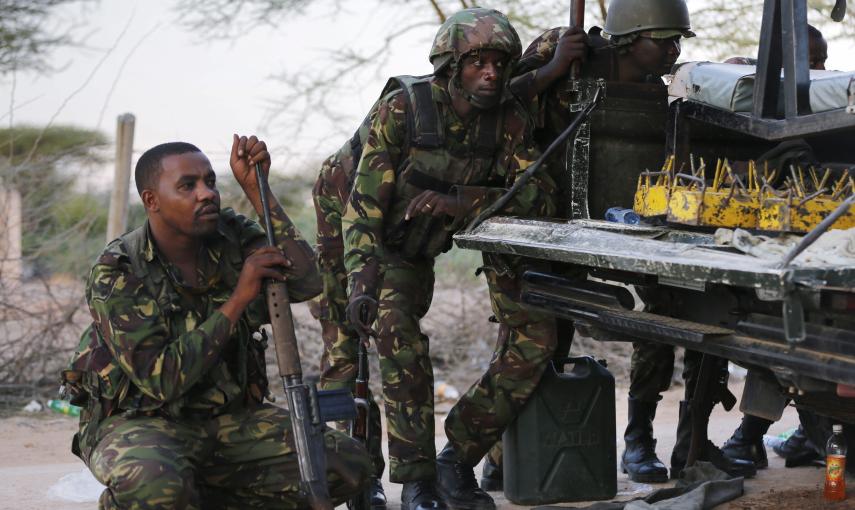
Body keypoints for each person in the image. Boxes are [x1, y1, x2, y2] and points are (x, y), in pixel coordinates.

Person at [501, 0, 757, 486]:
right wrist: (553, 69)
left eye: (678, 41)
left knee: (670, 318)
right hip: (549, 219)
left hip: (633, 222)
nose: (673, 50)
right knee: (540, 342)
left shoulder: (668, 84)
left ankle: (657, 441)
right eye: (663, 40)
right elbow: (493, 103)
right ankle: (503, 458)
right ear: (627, 37)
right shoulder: (568, 49)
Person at [62, 136, 370, 509]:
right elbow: (162, 380)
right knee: (156, 485)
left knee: (345, 463)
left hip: (227, 420)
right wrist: (239, 298)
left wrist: (259, 192)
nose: (206, 194)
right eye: (188, 186)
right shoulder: (119, 270)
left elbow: (306, 281)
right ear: (151, 201)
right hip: (139, 423)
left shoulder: (231, 235)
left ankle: (194, 497)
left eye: (211, 182)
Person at [342, 8, 557, 509]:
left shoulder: (507, 118)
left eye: (500, 64)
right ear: (448, 66)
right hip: (364, 231)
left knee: (538, 336)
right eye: (476, 62)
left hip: (426, 238)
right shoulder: (404, 110)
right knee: (385, 332)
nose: (491, 73)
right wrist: (361, 278)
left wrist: (466, 201)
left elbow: (540, 196)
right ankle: (404, 481)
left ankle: (454, 457)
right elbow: (363, 210)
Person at [720, 24, 830, 470]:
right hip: (774, 255)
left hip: (818, 252)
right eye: (810, 65)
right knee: (776, 337)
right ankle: (753, 433)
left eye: (823, 64)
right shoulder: (758, 108)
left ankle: (803, 432)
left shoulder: (829, 108)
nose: (820, 73)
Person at [313, 113, 387, 507]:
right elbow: (334, 261)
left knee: (395, 340)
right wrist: (356, 288)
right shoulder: (340, 176)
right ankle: (359, 472)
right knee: (343, 356)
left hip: (394, 233)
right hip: (344, 234)